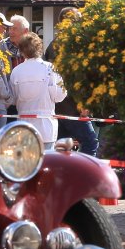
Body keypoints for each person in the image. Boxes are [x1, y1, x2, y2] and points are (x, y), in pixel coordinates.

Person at [45, 8, 99, 156]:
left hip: (58, 105)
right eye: (78, 20)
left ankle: (62, 170)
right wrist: (83, 103)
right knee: (90, 142)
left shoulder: (53, 45)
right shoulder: (73, 45)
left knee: (62, 147)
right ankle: (84, 170)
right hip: (72, 106)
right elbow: (76, 77)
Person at [8, 33, 66, 145]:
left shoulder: (16, 71)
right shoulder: (50, 68)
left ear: (21, 51)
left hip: (24, 126)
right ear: (39, 48)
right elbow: (60, 96)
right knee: (47, 156)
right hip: (46, 127)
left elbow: (14, 98)